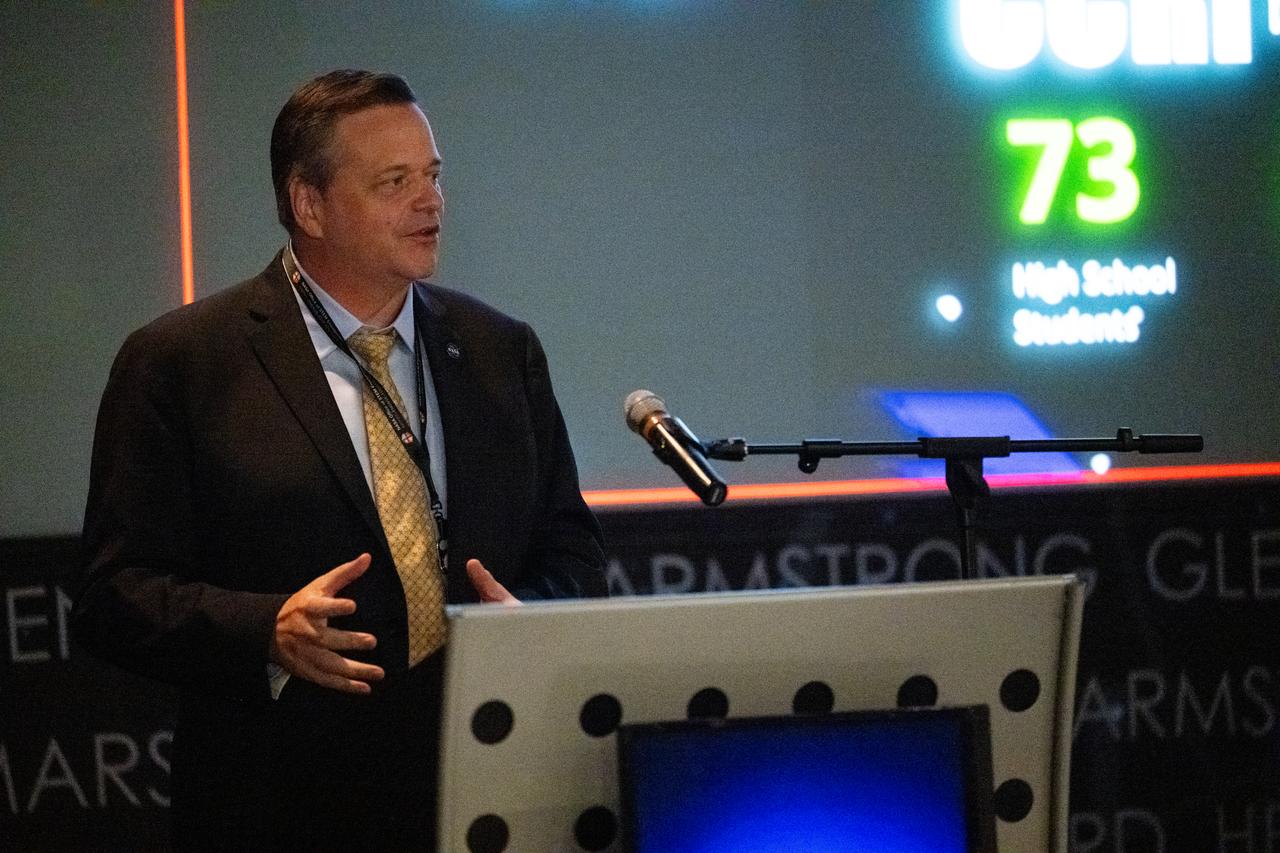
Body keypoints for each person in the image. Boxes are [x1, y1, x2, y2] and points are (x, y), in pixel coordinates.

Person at [72, 69, 606, 852]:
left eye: (433, 175)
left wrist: (526, 619)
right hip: (282, 804)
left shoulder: (501, 350)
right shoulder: (182, 363)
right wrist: (266, 629)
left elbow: (573, 551)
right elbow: (113, 594)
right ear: (309, 205)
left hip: (492, 788)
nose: (431, 202)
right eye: (395, 182)